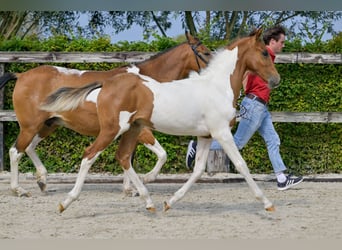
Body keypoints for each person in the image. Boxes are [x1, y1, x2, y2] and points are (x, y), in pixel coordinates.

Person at [186, 25, 303, 191]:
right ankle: (196, 146)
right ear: (272, 41)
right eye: (282, 42)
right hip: (255, 105)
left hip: (261, 107)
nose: (283, 45)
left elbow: (244, 72)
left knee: (273, 139)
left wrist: (245, 89)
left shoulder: (264, 57)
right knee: (238, 142)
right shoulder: (263, 54)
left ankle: (282, 178)